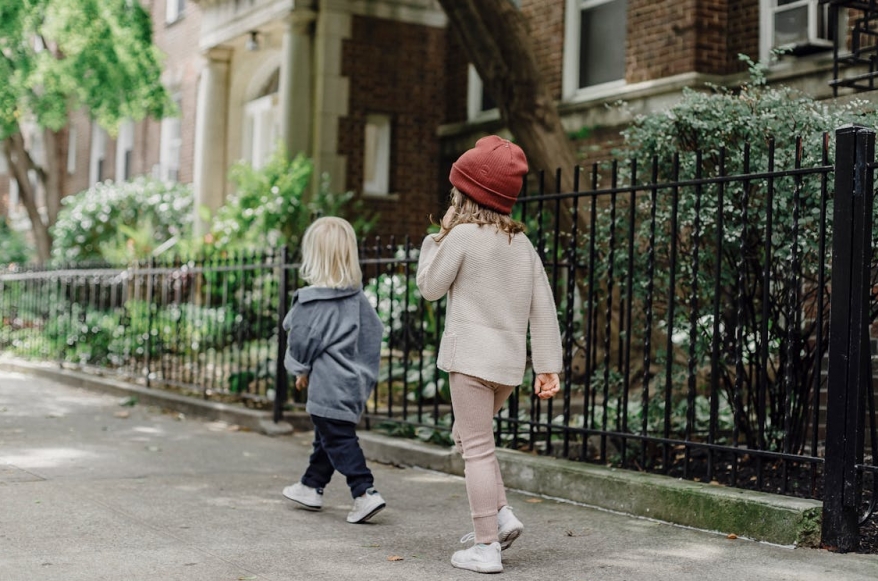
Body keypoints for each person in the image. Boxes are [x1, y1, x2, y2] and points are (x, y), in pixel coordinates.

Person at [416, 135, 563, 573]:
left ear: (466, 192)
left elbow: (430, 288)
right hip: (506, 367)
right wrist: (548, 367)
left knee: (475, 448)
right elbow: (545, 310)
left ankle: (485, 546)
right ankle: (500, 517)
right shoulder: (523, 246)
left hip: (469, 361)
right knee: (470, 437)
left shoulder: (460, 236)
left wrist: (432, 242)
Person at [280, 216, 387, 524]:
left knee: (338, 439)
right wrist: (364, 373)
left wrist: (300, 369)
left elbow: (302, 340)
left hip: (327, 384)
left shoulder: (311, 302)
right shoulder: (357, 300)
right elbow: (373, 334)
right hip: (354, 383)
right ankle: (310, 485)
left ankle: (364, 491)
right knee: (328, 435)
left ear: (312, 255)